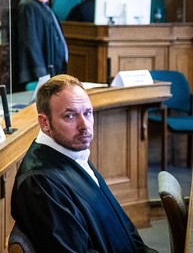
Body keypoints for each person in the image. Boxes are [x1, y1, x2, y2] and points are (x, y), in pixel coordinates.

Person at [10, 74, 156, 252]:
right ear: (45, 123)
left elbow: (125, 227)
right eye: (70, 116)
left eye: (88, 113)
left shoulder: (73, 153)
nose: (84, 125)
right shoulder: (40, 182)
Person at [14, 0, 67, 90]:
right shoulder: (27, 6)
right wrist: (42, 74)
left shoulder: (43, 6)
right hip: (37, 76)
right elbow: (30, 42)